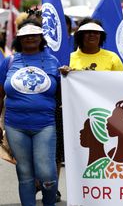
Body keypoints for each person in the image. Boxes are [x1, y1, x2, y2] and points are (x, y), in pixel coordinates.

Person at [0, 19, 60, 205]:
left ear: (41, 38)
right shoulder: (9, 62)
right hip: (15, 126)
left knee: (47, 174)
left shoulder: (53, 61)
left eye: (34, 34)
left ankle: (49, 202)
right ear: (19, 39)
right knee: (24, 172)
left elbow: (64, 93)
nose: (30, 38)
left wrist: (69, 75)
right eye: (25, 36)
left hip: (45, 125)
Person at [59, 18, 123, 74]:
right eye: (87, 32)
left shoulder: (113, 58)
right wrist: (65, 75)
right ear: (80, 35)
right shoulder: (68, 59)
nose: (92, 35)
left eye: (96, 32)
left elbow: (121, 82)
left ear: (101, 36)